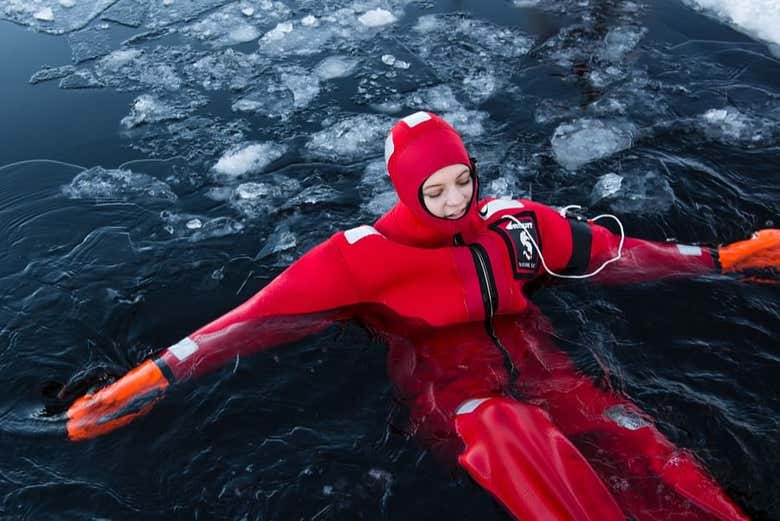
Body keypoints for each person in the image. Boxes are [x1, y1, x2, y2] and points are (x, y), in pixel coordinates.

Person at [66, 112, 779, 520]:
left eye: (462, 179)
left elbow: (620, 254)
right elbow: (251, 321)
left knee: (644, 446)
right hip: (457, 397)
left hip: (548, 368)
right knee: (509, 432)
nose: (453, 197)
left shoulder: (515, 226)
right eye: (434, 187)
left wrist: (721, 259)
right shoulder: (360, 259)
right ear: (407, 188)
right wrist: (150, 377)